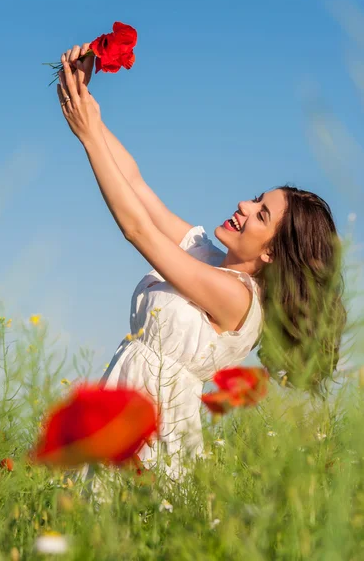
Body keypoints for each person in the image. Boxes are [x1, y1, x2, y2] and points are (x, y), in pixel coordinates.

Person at [56, 44, 346, 478]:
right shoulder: (206, 256)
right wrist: (88, 109)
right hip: (124, 414)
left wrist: (88, 137)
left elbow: (139, 231)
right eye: (255, 199)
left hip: (154, 437)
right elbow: (135, 185)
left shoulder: (239, 300)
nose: (243, 206)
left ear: (271, 252)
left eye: (260, 214)